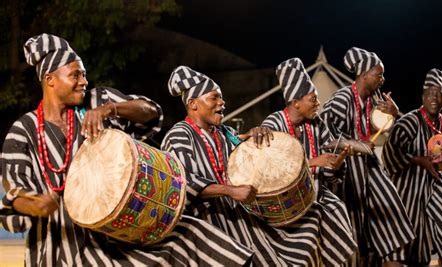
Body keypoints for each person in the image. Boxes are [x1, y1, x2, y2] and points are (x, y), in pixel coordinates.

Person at [0, 33, 253, 266]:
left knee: (193, 234)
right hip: (59, 245)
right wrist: (36, 205)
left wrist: (112, 109)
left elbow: (151, 112)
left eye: (84, 74)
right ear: (49, 79)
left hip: (116, 231)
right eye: (75, 75)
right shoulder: (23, 131)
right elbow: (15, 195)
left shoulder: (97, 101)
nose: (83, 82)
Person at [162, 65, 326, 266]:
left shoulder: (223, 132)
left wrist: (254, 134)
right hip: (205, 223)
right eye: (214, 98)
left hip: (234, 214)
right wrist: (230, 191)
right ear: (193, 104)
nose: (222, 102)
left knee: (307, 226)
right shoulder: (179, 135)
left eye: (221, 97)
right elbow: (182, 182)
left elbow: (240, 146)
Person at [320, 47, 415, 266]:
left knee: (391, 208)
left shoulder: (375, 100)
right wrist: (357, 146)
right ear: (364, 74)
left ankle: (393, 258)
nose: (383, 78)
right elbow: (325, 136)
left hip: (369, 167)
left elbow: (375, 133)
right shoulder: (342, 98)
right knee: (354, 226)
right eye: (378, 74)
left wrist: (391, 114)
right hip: (347, 170)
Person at [261, 58, 356, 266]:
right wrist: (313, 162)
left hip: (316, 194)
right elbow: (270, 170)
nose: (318, 103)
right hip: (284, 204)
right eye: (313, 99)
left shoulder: (316, 123)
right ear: (296, 102)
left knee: (339, 214)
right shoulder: (273, 124)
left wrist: (336, 164)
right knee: (309, 237)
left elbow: (328, 170)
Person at [382, 68, 442, 266]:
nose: (435, 98)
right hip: (406, 184)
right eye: (430, 93)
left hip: (432, 183)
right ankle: (401, 258)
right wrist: (419, 160)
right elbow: (391, 151)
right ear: (422, 96)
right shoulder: (409, 121)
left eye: (440, 94)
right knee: (410, 218)